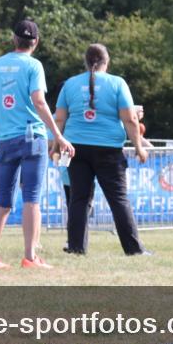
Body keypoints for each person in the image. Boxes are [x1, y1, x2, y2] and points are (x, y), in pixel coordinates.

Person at [0, 19, 74, 270]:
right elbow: (39, 101)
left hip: (6, 140)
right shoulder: (34, 66)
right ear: (36, 42)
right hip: (32, 137)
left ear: (14, 40)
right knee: (32, 197)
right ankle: (30, 257)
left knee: (3, 201)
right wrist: (58, 135)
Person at [55, 43, 149, 256]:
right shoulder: (117, 83)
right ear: (107, 62)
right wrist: (139, 148)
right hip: (108, 150)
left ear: (85, 62)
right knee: (118, 200)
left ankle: (76, 248)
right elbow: (131, 119)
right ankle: (133, 250)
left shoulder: (69, 84)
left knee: (78, 199)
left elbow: (60, 118)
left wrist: (56, 146)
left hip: (75, 148)